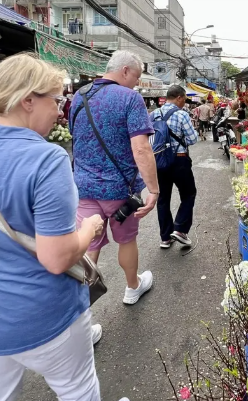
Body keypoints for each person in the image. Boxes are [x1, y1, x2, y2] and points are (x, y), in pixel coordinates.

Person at [0, 54, 118, 401]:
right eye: (56, 100)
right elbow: (57, 258)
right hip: (42, 315)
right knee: (78, 390)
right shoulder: (47, 159)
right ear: (28, 100)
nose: (60, 111)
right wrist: (89, 228)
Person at [70, 51, 159, 306]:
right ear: (125, 70)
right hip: (120, 190)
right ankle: (132, 287)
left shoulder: (79, 96)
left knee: (89, 242)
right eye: (137, 77)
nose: (137, 83)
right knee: (127, 240)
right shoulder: (130, 98)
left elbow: (76, 137)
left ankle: (82, 305)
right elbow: (141, 149)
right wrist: (153, 189)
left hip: (85, 187)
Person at [150, 85, 199, 249]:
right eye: (184, 99)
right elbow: (192, 139)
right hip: (179, 160)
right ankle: (180, 230)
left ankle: (165, 238)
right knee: (188, 194)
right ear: (179, 97)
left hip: (159, 161)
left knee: (163, 199)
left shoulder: (154, 114)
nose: (184, 102)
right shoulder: (181, 114)